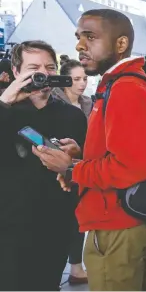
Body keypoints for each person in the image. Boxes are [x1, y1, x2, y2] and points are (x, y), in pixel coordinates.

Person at [32, 9, 146, 291]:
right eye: (79, 37)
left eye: (90, 37)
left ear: (121, 44)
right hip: (125, 221)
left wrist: (70, 168)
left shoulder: (125, 88)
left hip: (117, 224)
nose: (80, 45)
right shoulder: (122, 83)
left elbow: (132, 166)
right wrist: (81, 154)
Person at [0, 40, 87, 291]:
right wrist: (6, 99)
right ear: (17, 72)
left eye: (50, 67)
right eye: (34, 67)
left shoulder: (72, 115)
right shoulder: (6, 109)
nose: (43, 74)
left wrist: (76, 157)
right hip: (8, 226)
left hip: (55, 223)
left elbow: (84, 166)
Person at [52, 59, 93, 285]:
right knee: (62, 219)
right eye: (77, 79)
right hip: (58, 170)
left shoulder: (89, 103)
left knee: (78, 218)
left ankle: (76, 267)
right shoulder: (53, 102)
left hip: (83, 166)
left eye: (85, 78)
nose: (82, 83)